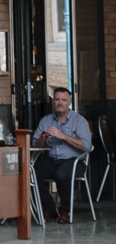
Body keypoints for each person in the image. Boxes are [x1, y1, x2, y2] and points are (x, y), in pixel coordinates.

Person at [31, 87, 91, 224]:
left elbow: (86, 146)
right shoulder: (46, 121)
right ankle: (50, 209)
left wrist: (62, 136)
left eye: (63, 100)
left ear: (69, 102)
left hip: (75, 161)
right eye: (57, 100)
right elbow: (35, 145)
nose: (60, 103)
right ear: (53, 102)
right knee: (32, 173)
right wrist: (44, 137)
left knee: (61, 175)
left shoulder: (79, 120)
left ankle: (66, 212)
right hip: (52, 160)